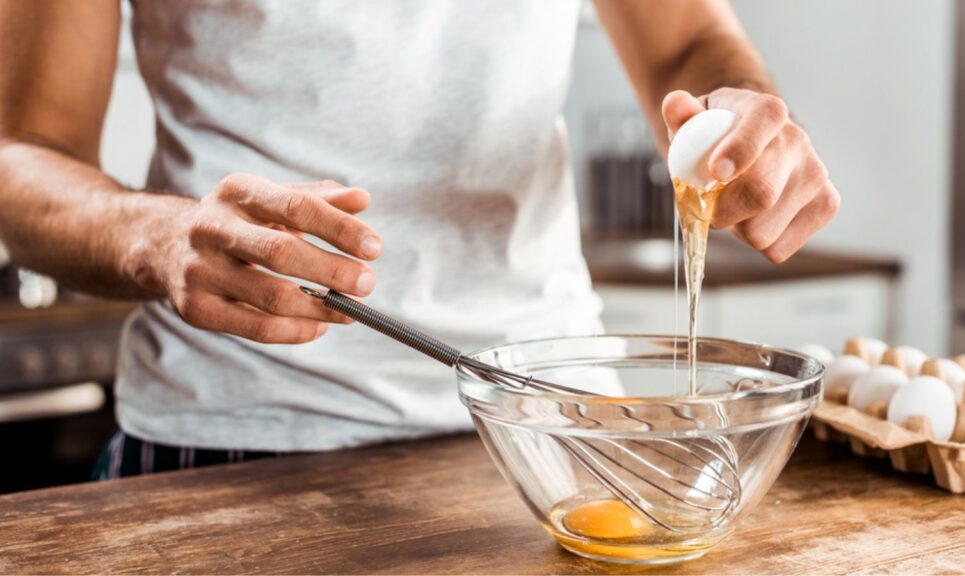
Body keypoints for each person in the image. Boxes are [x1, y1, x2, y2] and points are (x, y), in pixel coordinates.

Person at [0, 1, 839, 477]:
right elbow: (22, 153)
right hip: (238, 433)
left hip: (554, 428)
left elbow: (687, 38)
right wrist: (156, 233)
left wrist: (740, 118)